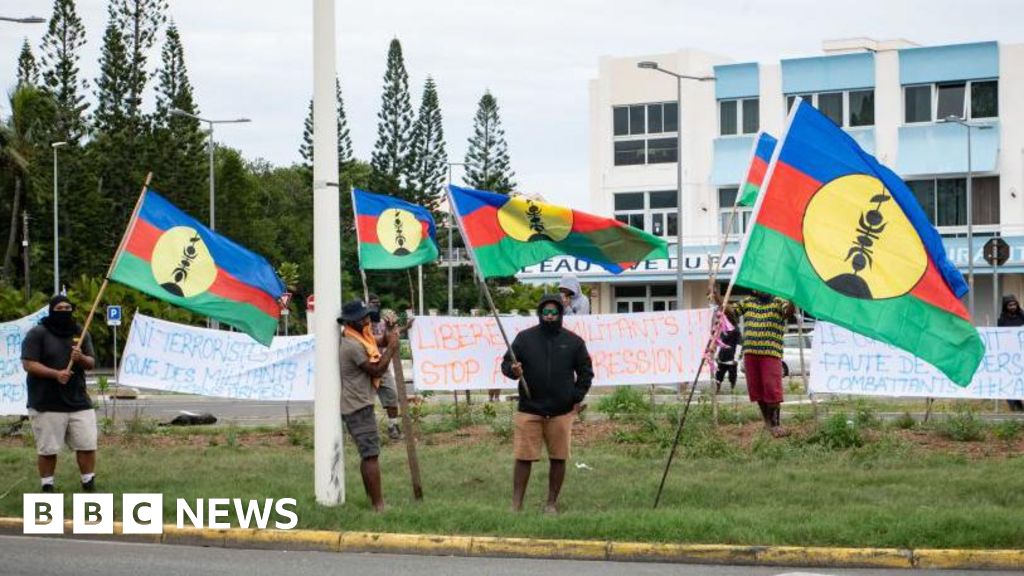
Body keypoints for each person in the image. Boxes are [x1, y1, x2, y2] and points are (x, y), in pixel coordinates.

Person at [501, 294, 593, 513]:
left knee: (558, 457)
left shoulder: (574, 342)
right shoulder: (524, 339)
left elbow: (586, 373)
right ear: (540, 314)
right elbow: (506, 364)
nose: (549, 316)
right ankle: (516, 504)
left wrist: (575, 397)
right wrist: (513, 371)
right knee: (523, 457)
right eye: (545, 312)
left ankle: (551, 503)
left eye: (554, 312)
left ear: (560, 314)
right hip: (530, 409)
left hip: (561, 412)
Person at [21, 295, 98, 493]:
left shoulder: (80, 333)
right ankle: (47, 486)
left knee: (87, 444)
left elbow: (91, 363)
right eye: (60, 308)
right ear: (51, 310)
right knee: (48, 450)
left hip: (79, 401)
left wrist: (80, 358)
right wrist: (56, 374)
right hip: (46, 402)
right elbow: (28, 364)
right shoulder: (38, 333)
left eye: (67, 308)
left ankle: (88, 483)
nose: (64, 312)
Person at [337, 299, 400, 512]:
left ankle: (373, 499)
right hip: (357, 406)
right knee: (370, 454)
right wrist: (391, 349)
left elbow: (379, 341)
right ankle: (378, 505)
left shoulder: (361, 336)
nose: (367, 320)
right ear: (351, 321)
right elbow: (376, 370)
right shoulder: (351, 344)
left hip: (361, 403)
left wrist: (390, 332)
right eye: (363, 317)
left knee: (369, 453)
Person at [714, 288, 794, 437]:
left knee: (772, 390)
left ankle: (776, 424)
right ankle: (768, 423)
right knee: (758, 392)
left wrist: (793, 299)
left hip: (770, 353)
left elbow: (788, 312)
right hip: (750, 354)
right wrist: (718, 298)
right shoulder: (748, 302)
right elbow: (732, 314)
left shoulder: (778, 302)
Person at [367, 293, 403, 439]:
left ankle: (393, 426)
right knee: (366, 400)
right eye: (372, 303)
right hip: (366, 365)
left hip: (383, 364)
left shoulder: (383, 322)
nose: (376, 306)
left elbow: (391, 336)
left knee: (392, 395)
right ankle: (368, 431)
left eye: (377, 303)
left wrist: (394, 326)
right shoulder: (361, 323)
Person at [997, 295, 1024, 412]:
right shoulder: (1002, 320)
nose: (1013, 307)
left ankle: (1018, 400)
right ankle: (1012, 402)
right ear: (1005, 307)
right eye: (1010, 305)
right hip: (1008, 353)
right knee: (1009, 377)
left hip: (1021, 351)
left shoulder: (1022, 316)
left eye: (1014, 304)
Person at [714, 309, 741, 394]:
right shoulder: (723, 329)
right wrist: (716, 355)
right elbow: (720, 342)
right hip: (722, 356)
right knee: (719, 374)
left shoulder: (736, 330)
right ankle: (717, 388)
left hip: (731, 357)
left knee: (732, 375)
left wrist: (736, 358)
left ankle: (732, 388)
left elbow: (739, 344)